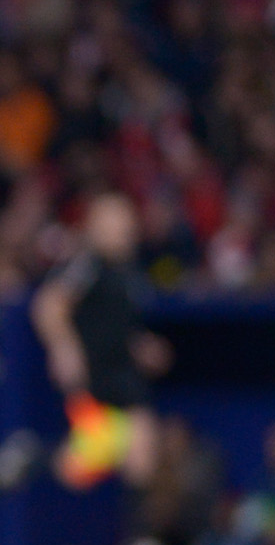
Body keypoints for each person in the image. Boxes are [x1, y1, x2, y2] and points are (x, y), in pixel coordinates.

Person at [31, 191, 172, 505]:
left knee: (140, 455)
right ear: (96, 226)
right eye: (116, 220)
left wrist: (141, 346)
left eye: (127, 220)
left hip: (123, 373)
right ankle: (35, 458)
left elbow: (114, 322)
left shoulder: (128, 272)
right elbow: (48, 305)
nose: (126, 228)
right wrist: (63, 349)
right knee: (83, 468)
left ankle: (139, 544)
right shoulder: (87, 264)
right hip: (92, 376)